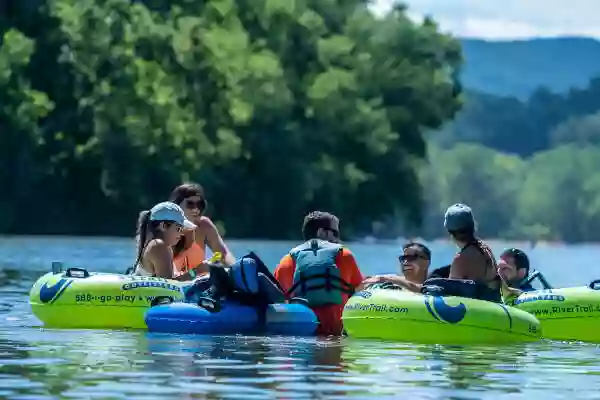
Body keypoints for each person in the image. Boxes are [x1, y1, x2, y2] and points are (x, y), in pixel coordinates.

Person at [274, 211, 364, 336]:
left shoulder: (286, 261)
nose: (338, 238)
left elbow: (278, 301)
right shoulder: (344, 255)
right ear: (321, 232)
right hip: (335, 336)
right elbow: (360, 293)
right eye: (335, 232)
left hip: (300, 338)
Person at [169, 183, 236, 277]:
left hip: (196, 281)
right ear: (177, 205)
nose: (196, 210)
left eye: (200, 205)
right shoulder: (165, 227)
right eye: (190, 204)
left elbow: (223, 254)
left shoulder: (204, 225)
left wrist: (235, 270)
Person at [441, 203, 501, 302]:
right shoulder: (485, 249)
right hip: (493, 304)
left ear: (449, 232)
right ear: (473, 227)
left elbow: (449, 300)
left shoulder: (460, 260)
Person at [132, 201, 206, 280]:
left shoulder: (155, 244)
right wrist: (198, 270)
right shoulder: (158, 245)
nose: (182, 233)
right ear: (163, 226)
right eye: (178, 228)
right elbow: (168, 285)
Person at [362, 242, 432, 292]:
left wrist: (386, 279)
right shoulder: (390, 282)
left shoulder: (435, 285)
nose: (405, 262)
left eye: (411, 258)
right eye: (403, 258)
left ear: (426, 262)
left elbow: (421, 289)